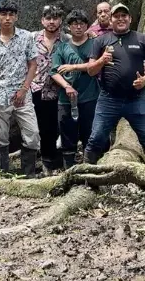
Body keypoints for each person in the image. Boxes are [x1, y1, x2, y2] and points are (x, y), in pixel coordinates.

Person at [82, 4, 145, 173]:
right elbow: (91, 71)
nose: (120, 19)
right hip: (109, 99)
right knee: (96, 138)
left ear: (130, 19)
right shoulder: (101, 41)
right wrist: (101, 61)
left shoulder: (141, 39)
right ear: (111, 19)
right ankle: (86, 179)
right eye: (117, 16)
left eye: (124, 16)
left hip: (136, 99)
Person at [0, 0, 40, 176]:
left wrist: (24, 89)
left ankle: (28, 175)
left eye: (11, 14)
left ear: (16, 17)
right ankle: (3, 174)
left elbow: (33, 65)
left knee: (32, 133)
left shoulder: (26, 37)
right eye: (4, 14)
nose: (7, 18)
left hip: (22, 93)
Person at [50, 9, 99, 169]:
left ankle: (90, 169)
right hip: (66, 99)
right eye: (75, 24)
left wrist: (73, 67)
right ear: (69, 27)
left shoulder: (94, 44)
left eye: (82, 24)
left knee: (90, 135)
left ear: (87, 26)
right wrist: (66, 86)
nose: (78, 27)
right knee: (67, 136)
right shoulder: (62, 47)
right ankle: (69, 171)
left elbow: (95, 66)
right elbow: (54, 71)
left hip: (90, 96)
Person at [30, 5, 65, 172]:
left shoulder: (66, 40)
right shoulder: (32, 38)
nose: (52, 22)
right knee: (37, 126)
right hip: (35, 87)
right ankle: (41, 162)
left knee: (55, 126)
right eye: (48, 18)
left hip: (58, 89)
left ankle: (53, 162)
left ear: (60, 20)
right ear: (42, 20)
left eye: (55, 18)